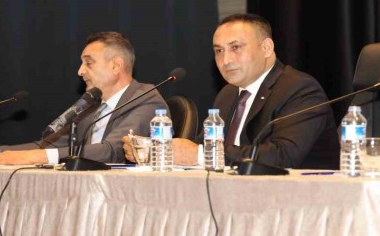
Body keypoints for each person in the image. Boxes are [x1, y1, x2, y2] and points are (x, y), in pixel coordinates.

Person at [125, 13, 339, 169]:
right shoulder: (228, 94)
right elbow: (201, 146)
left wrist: (200, 154)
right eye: (219, 51)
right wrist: (154, 149)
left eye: (235, 48)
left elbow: (282, 157)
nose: (225, 60)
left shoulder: (299, 89)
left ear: (266, 48)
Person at [0, 32, 166, 166]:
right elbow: (47, 146)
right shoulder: (91, 105)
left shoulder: (146, 100)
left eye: (88, 63)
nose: (80, 71)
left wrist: (33, 157)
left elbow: (111, 151)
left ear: (116, 66)